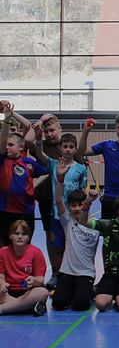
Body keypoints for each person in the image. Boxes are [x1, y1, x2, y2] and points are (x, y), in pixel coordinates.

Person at [34, 129, 87, 290]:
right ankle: (57, 275)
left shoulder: (81, 168)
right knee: (57, 247)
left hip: (74, 216)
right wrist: (38, 139)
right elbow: (40, 153)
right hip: (56, 214)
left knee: (73, 247)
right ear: (60, 148)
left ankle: (74, 275)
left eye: (71, 147)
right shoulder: (53, 164)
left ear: (75, 149)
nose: (68, 149)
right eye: (65, 146)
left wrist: (84, 211)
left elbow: (83, 191)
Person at [52, 161, 99, 311]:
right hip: (67, 271)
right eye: (73, 205)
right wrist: (60, 179)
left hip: (85, 273)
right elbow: (58, 199)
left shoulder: (96, 225)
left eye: (80, 204)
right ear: (69, 206)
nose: (77, 208)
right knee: (58, 303)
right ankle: (70, 291)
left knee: (81, 304)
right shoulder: (67, 220)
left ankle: (90, 290)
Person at [78, 113, 119, 219]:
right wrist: (86, 131)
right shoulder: (107, 145)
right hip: (110, 198)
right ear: (115, 128)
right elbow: (82, 151)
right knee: (107, 229)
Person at [0, 104, 48, 246]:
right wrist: (6, 118)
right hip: (4, 210)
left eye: (11, 145)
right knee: (5, 247)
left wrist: (34, 184)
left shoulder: (28, 162)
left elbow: (46, 172)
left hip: (25, 210)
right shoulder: (2, 159)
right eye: (6, 145)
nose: (7, 147)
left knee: (24, 245)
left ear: (21, 147)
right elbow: (3, 142)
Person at [0, 220, 49, 316]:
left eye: (24, 234)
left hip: (28, 292)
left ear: (28, 237)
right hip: (8, 292)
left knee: (43, 292)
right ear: (10, 236)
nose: (20, 237)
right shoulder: (2, 252)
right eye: (16, 233)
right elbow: (0, 276)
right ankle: (26, 307)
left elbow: (40, 280)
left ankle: (3, 309)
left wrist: (33, 280)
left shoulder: (36, 252)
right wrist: (3, 284)